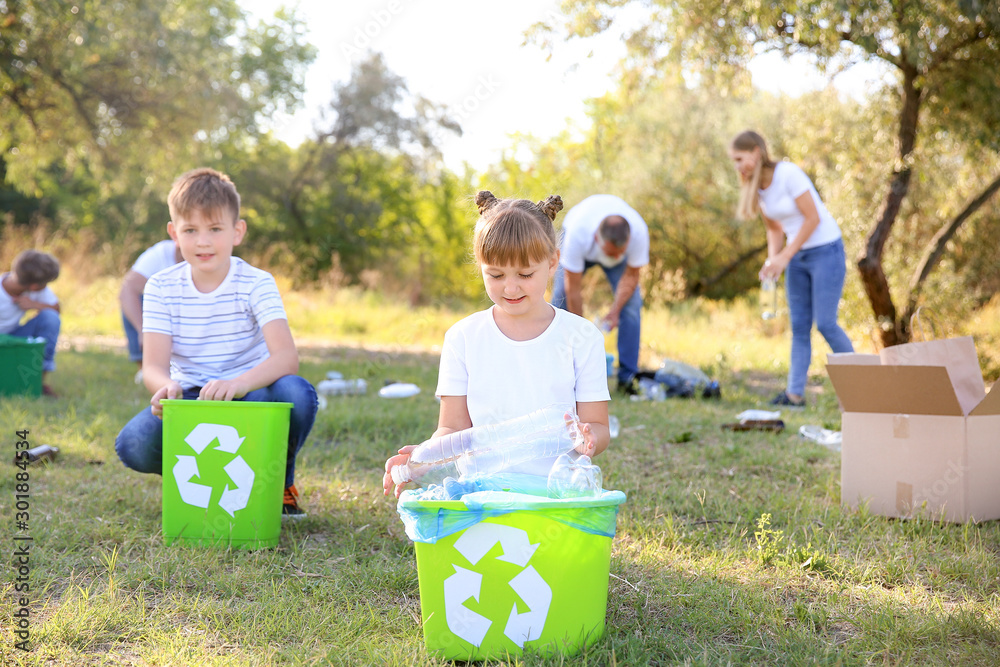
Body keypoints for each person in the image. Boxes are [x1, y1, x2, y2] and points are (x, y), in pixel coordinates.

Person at [115, 167, 318, 516]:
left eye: (215, 229)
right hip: (193, 397)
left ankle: (277, 483)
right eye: (190, 230)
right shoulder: (161, 286)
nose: (203, 241)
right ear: (173, 234)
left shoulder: (256, 282)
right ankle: (210, 479)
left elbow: (286, 359)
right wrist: (165, 388)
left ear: (237, 231)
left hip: (254, 392)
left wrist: (237, 384)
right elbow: (153, 367)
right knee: (132, 444)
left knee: (296, 393)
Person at [383, 190, 611, 497]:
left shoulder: (582, 337)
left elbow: (598, 426)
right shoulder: (463, 337)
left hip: (555, 494)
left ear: (553, 261)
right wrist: (427, 458)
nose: (511, 287)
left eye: (526, 273)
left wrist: (588, 440)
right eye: (496, 274)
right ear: (480, 265)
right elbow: (452, 429)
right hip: (481, 493)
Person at [729, 130, 855, 407]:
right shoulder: (758, 187)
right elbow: (774, 227)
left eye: (740, 158)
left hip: (825, 250)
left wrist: (785, 256)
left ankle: (863, 389)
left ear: (756, 152)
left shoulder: (788, 174)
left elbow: (812, 219)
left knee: (826, 323)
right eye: (734, 161)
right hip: (796, 256)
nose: (738, 166)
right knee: (799, 328)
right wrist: (773, 260)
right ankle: (794, 395)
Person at [551, 194, 649, 395]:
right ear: (597, 238)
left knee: (631, 306)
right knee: (559, 299)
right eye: (611, 253)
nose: (615, 258)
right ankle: (557, 371)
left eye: (620, 253)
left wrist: (615, 311)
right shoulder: (577, 234)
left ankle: (627, 378)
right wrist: (580, 331)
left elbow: (631, 277)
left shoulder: (638, 233)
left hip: (606, 245)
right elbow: (574, 289)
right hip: (580, 248)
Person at [0, 250, 61, 397]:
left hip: (14, 335)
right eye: (46, 283)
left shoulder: (36, 292)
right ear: (34, 285)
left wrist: (35, 304)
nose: (46, 286)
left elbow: (56, 309)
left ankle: (37, 382)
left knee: (50, 317)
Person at [120, 239, 182, 381]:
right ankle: (145, 365)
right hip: (164, 319)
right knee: (133, 300)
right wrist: (143, 330)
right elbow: (126, 291)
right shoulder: (159, 254)